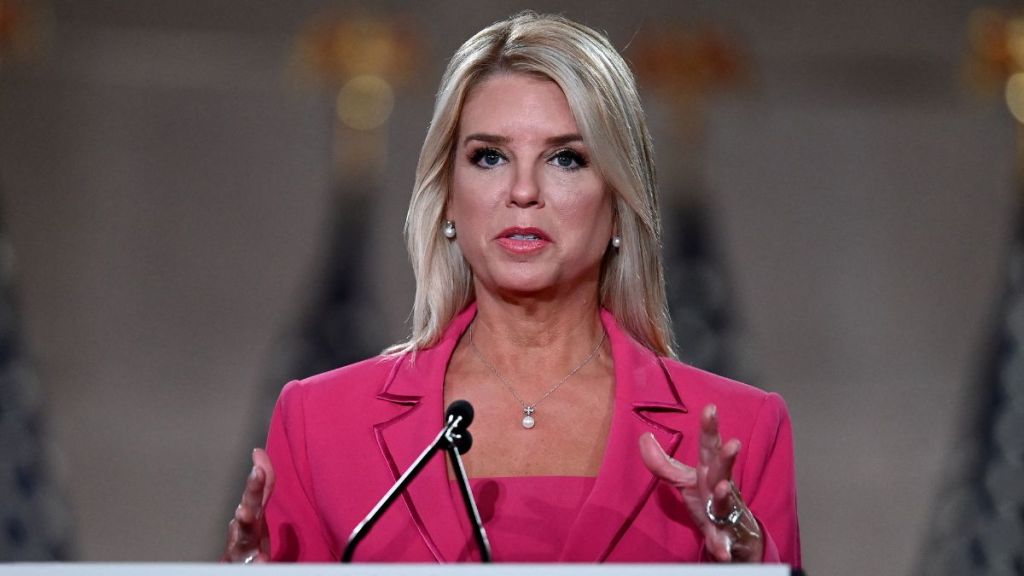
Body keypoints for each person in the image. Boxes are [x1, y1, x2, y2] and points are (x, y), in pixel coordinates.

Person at [223, 11, 800, 565]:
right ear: (448, 196)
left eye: (566, 159)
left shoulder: (742, 431)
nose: (523, 191)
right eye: (490, 156)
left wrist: (755, 569)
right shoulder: (320, 423)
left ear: (620, 203)